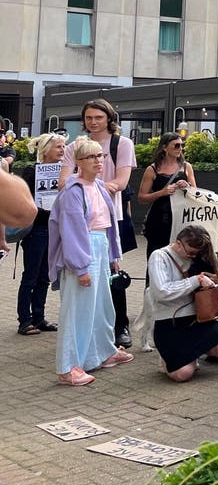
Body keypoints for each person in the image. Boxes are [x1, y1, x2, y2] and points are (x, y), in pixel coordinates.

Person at [47, 136, 130, 386]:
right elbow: (72, 231)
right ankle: (67, 367)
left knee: (102, 306)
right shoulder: (74, 191)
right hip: (83, 252)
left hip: (100, 248)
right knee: (78, 311)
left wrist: (114, 256)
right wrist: (81, 267)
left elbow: (109, 225)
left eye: (100, 156)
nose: (98, 161)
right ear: (79, 162)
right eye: (91, 157)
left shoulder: (100, 187)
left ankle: (103, 352)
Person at [59, 99, 136, 349]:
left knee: (113, 272)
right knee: (86, 275)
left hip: (112, 218)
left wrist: (92, 187)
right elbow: (63, 182)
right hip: (83, 220)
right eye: (89, 117)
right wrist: (90, 188)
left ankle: (120, 325)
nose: (93, 122)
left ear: (109, 118)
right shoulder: (74, 146)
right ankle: (88, 332)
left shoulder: (122, 144)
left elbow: (122, 181)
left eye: (98, 117)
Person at [146, 225, 218, 381]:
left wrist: (217, 285)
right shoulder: (160, 256)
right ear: (178, 243)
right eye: (190, 252)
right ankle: (175, 359)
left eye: (197, 253)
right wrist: (196, 280)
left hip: (197, 317)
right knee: (182, 375)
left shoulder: (200, 257)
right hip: (169, 320)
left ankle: (190, 354)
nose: (193, 256)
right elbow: (162, 292)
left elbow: (208, 294)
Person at [17, 133, 65, 336]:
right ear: (45, 150)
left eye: (64, 147)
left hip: (56, 229)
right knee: (31, 275)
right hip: (37, 229)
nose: (63, 150)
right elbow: (24, 198)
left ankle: (38, 316)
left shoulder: (66, 172)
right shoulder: (31, 171)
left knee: (45, 275)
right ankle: (24, 320)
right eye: (58, 147)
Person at [137, 133, 196, 259]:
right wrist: (161, 192)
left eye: (182, 145)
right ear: (164, 147)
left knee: (181, 256)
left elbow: (196, 194)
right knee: (157, 254)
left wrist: (187, 186)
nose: (180, 148)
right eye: (176, 145)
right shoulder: (152, 169)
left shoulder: (186, 167)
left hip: (181, 218)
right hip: (159, 218)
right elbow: (141, 197)